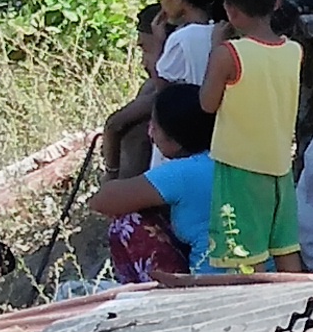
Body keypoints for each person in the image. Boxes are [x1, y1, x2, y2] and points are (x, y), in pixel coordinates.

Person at [195, 0, 307, 275]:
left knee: (245, 258)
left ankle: (260, 318)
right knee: (286, 249)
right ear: (276, 1)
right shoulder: (293, 51)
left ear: (229, 10)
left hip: (240, 169)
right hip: (279, 168)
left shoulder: (228, 55)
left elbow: (207, 103)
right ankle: (302, 310)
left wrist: (215, 46)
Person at [99, 0, 222, 176]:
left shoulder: (181, 39)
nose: (162, 2)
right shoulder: (221, 32)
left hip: (179, 148)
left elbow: (164, 92)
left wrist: (157, 47)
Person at [88, 94, 218, 282]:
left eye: (154, 127)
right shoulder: (225, 158)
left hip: (210, 282)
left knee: (127, 221)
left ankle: (145, 293)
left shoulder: (180, 173)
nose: (149, 133)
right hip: (258, 271)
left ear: (176, 141)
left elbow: (103, 201)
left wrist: (110, 173)